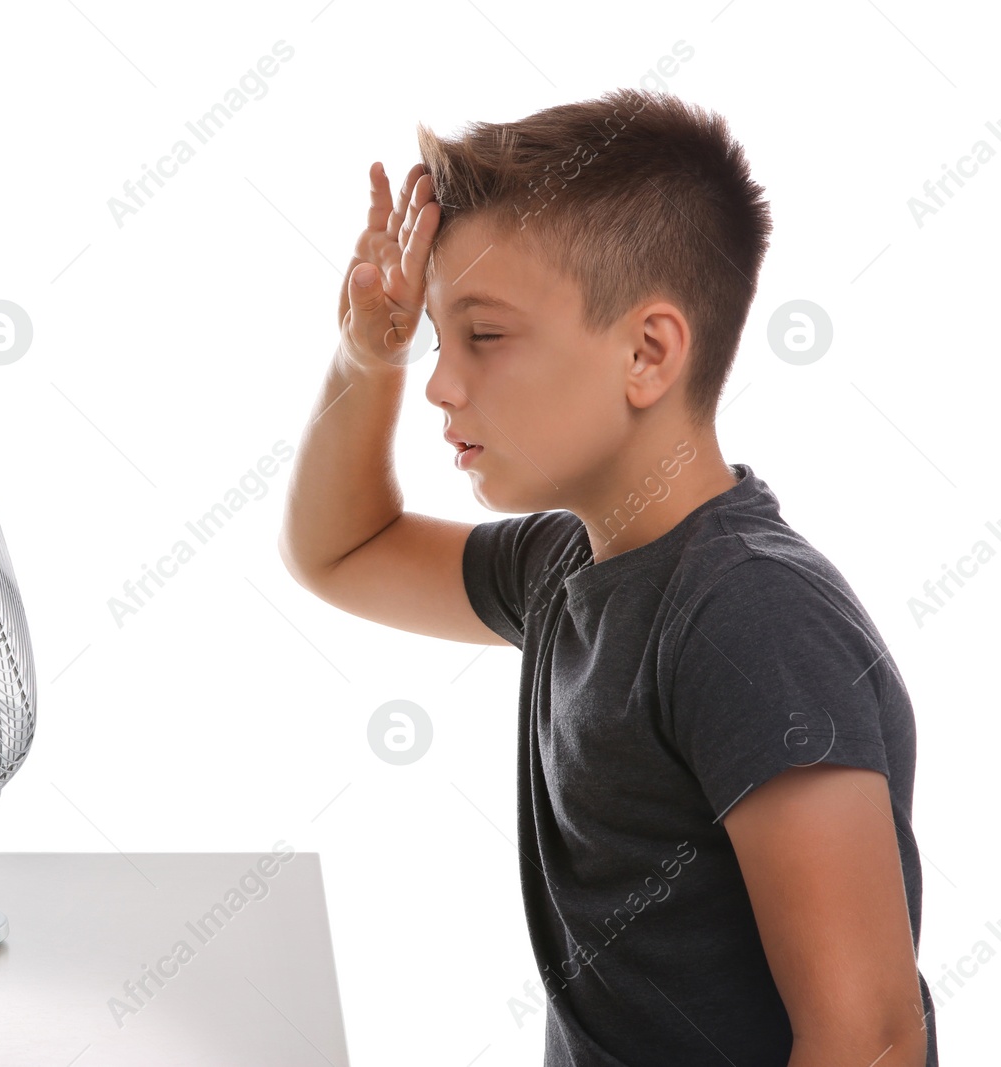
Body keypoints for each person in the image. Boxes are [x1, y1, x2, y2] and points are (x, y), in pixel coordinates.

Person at [277, 87, 935, 1066]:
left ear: (646, 351)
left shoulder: (749, 616)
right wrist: (365, 352)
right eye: (433, 337)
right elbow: (341, 549)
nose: (440, 382)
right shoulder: (564, 566)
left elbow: (867, 1037)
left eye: (483, 335)